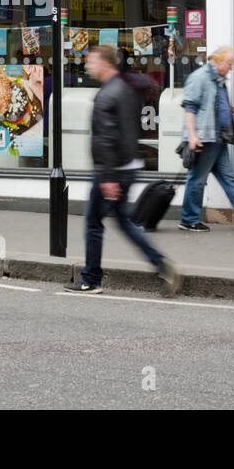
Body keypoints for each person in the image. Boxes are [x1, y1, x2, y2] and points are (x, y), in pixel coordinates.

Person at [65, 45, 182, 296]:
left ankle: (91, 279)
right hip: (129, 166)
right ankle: (162, 265)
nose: (88, 66)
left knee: (93, 223)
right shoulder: (126, 90)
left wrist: (107, 177)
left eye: (92, 62)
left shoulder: (106, 95)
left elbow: (105, 139)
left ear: (106, 64)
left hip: (111, 171)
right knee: (125, 223)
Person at [180, 46, 234, 231]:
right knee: (197, 180)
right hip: (205, 139)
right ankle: (188, 219)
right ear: (218, 61)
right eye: (229, 64)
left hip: (218, 138)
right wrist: (192, 136)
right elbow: (190, 108)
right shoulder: (200, 77)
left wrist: (231, 109)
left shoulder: (218, 79)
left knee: (229, 179)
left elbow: (213, 106)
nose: (230, 68)